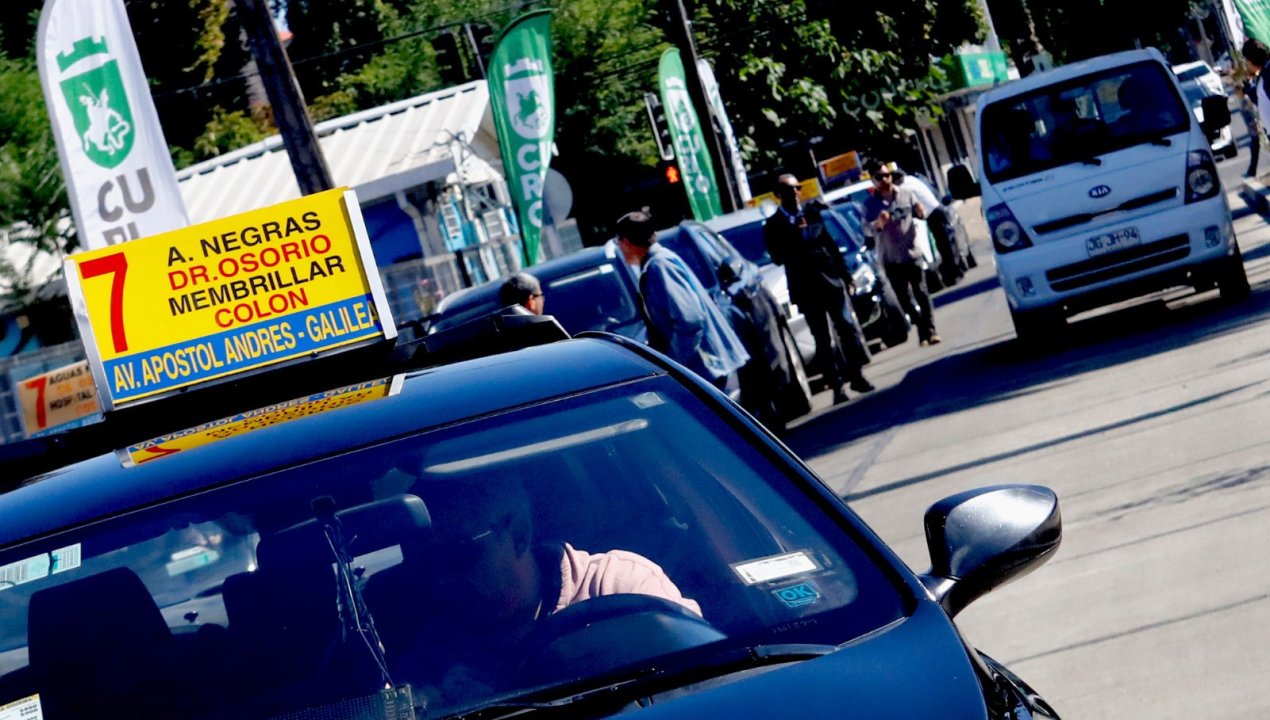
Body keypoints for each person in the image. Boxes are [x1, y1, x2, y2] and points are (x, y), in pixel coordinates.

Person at [391, 476, 700, 704]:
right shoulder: (435, 656)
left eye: (458, 554)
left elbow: (701, 684)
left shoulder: (619, 587)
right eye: (427, 563)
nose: (440, 579)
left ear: (519, 535)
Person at [762, 175, 873, 404]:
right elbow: (777, 257)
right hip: (806, 289)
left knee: (847, 328)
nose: (796, 193)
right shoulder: (773, 226)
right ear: (779, 195)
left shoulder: (812, 213)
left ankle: (857, 376)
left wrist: (846, 276)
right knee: (822, 338)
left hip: (831, 282)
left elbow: (830, 246)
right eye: (790, 190)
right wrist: (794, 233)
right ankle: (836, 386)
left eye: (797, 188)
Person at [614, 210, 749, 387]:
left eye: (618, 242)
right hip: (703, 369)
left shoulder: (660, 265)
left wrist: (676, 361)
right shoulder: (658, 262)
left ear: (626, 242)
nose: (619, 248)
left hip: (704, 369)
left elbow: (690, 320)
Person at [862, 160, 941, 347]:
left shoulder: (906, 194)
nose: (885, 179)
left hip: (912, 252)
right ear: (873, 180)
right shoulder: (869, 205)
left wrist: (920, 212)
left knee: (921, 292)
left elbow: (920, 214)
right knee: (904, 299)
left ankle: (931, 331)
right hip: (891, 258)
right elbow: (866, 230)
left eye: (887, 175)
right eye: (879, 177)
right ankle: (921, 327)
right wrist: (878, 224)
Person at [1242, 38, 1270, 178]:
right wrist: (1249, 89)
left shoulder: (1268, 74)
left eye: (1246, 60)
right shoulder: (1265, 73)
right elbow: (1263, 101)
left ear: (1251, 59)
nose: (1246, 64)